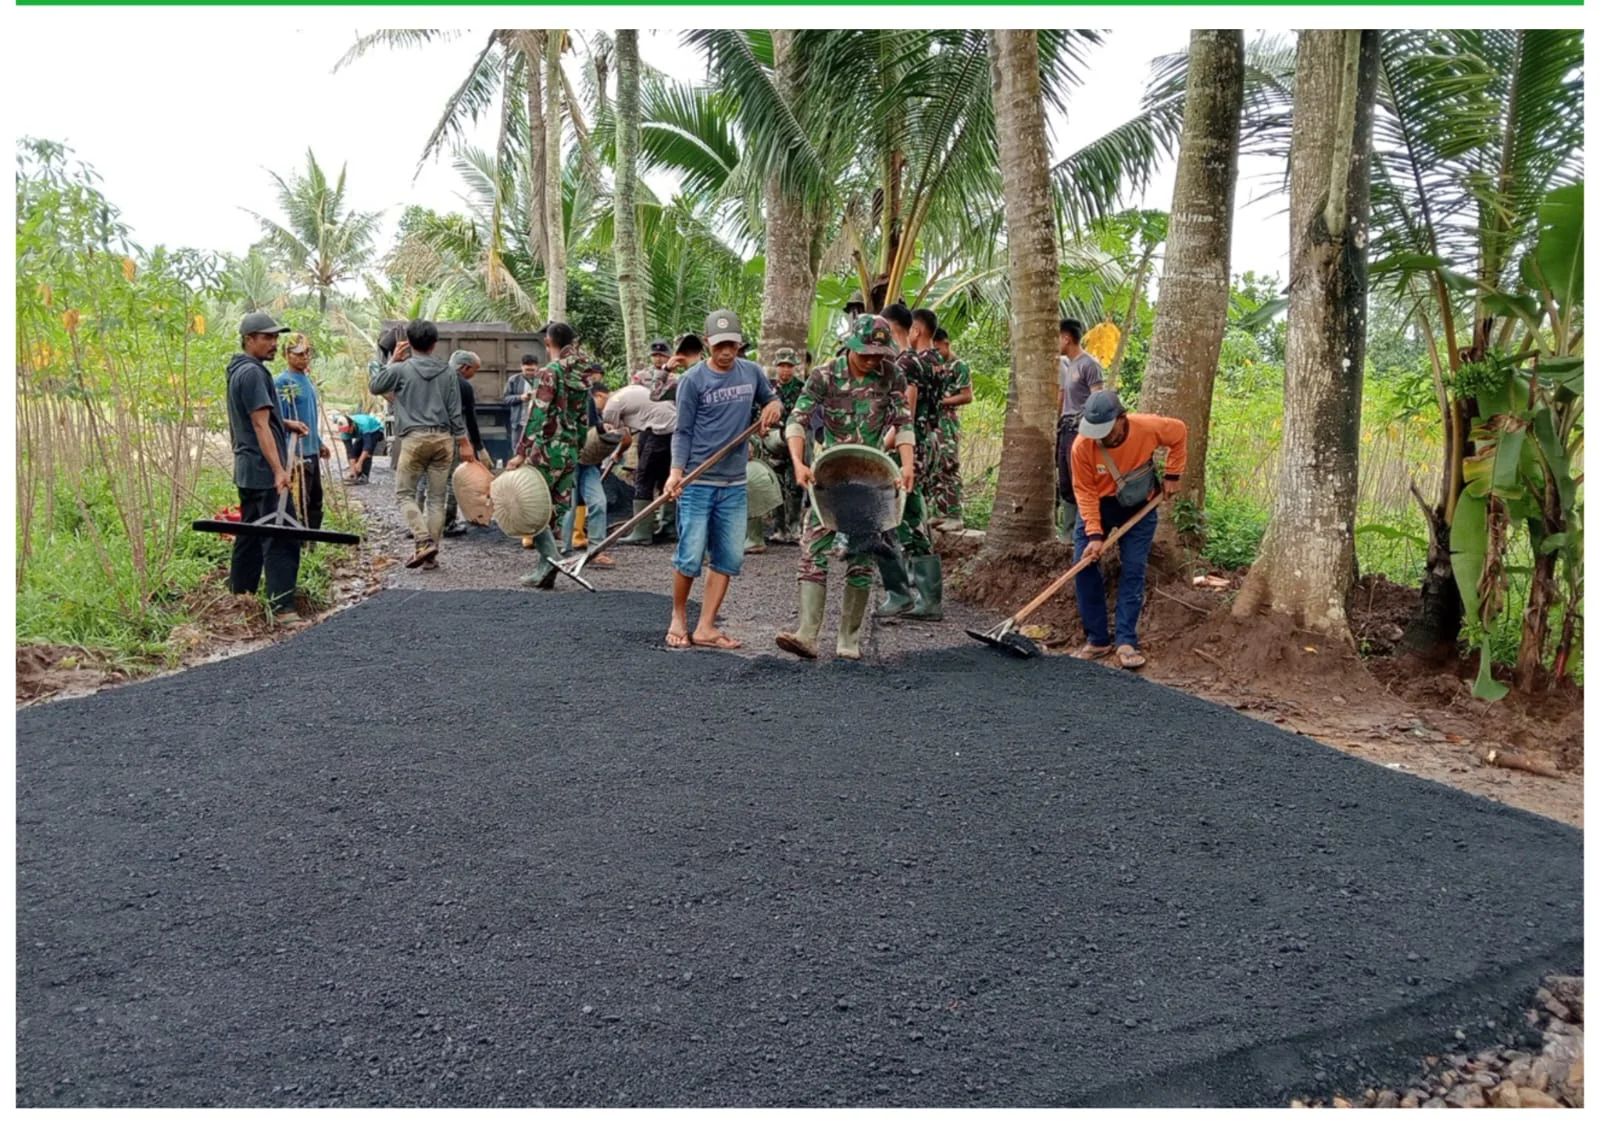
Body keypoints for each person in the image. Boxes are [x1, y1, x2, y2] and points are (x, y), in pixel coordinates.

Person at [774, 315, 914, 661]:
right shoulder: (825, 375)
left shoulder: (892, 375)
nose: (872, 360)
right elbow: (797, 420)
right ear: (851, 346)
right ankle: (807, 634)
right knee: (813, 549)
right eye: (866, 353)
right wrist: (798, 462)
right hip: (831, 473)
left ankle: (848, 640)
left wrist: (906, 465)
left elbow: (903, 422)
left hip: (871, 476)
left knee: (862, 555)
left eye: (879, 354)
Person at [662, 309, 783, 651]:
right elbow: (683, 431)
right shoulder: (692, 381)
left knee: (729, 557)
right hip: (698, 480)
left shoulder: (751, 372)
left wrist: (773, 406)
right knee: (690, 554)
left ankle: (706, 626)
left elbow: (772, 399)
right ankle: (678, 617)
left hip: (734, 484)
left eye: (732, 344)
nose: (727, 352)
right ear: (707, 343)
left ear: (740, 343)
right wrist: (676, 473)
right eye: (719, 346)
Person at [1069, 389, 1187, 670]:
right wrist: (1095, 534)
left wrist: (1173, 474)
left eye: (1107, 430)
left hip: (1139, 507)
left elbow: (1179, 433)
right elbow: (1084, 492)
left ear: (1121, 419)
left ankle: (1126, 640)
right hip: (1098, 506)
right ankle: (1098, 639)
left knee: (1133, 569)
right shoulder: (1081, 446)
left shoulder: (1147, 427)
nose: (1101, 437)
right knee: (1083, 566)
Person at [225, 311, 310, 623]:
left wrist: (285, 423)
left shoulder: (239, 370)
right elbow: (260, 425)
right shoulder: (253, 374)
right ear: (249, 339)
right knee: (281, 534)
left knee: (249, 532)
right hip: (263, 470)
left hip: (247, 468)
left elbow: (257, 418)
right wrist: (278, 470)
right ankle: (283, 608)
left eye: (276, 337)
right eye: (267, 337)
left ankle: (241, 596)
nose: (274, 343)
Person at [368, 319, 472, 570]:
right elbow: (455, 411)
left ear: (409, 343)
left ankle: (423, 541)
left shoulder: (401, 369)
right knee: (437, 499)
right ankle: (430, 556)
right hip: (444, 440)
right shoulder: (448, 372)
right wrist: (464, 442)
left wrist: (393, 361)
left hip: (414, 439)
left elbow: (375, 386)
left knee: (405, 494)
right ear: (434, 344)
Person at [874, 302, 943, 621]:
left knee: (904, 518)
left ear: (891, 328)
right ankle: (906, 594)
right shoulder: (926, 361)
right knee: (899, 518)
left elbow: (906, 415)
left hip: (906, 449)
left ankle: (916, 597)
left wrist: (880, 447)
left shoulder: (904, 364)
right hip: (921, 444)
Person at [515, 321, 589, 589]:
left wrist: (521, 452)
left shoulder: (550, 371)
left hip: (547, 449)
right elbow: (583, 417)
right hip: (570, 448)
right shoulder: (581, 373)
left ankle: (551, 559)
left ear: (548, 342)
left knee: (532, 506)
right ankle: (545, 567)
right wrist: (578, 447)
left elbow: (539, 413)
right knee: (555, 508)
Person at [557, 368, 619, 568]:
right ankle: (564, 552)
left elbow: (591, 425)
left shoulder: (588, 399)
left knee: (598, 502)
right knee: (569, 506)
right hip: (568, 458)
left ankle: (596, 551)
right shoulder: (559, 397)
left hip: (588, 460)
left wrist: (602, 428)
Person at [604, 383, 676, 547]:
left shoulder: (611, 407)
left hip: (659, 430)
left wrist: (618, 453)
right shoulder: (630, 390)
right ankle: (669, 528)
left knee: (643, 479)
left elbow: (624, 439)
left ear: (600, 396)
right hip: (673, 428)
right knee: (665, 478)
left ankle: (641, 533)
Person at [273, 332, 328, 529]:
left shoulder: (306, 380)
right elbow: (278, 420)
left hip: (312, 451)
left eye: (307, 352)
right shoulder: (283, 383)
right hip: (296, 454)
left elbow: (309, 418)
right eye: (298, 353)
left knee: (315, 500)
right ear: (286, 355)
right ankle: (300, 541)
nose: (304, 357)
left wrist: (319, 443)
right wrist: (290, 456)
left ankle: (312, 540)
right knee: (299, 503)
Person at [1058, 317, 1106, 540]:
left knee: (1080, 480)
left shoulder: (1089, 364)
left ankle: (1084, 532)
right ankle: (1068, 534)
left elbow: (1098, 400)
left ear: (1066, 338)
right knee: (1066, 481)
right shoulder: (1069, 365)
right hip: (1066, 428)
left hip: (1080, 429)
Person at [929, 328, 974, 530]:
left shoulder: (959, 366)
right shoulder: (933, 365)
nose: (936, 353)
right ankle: (939, 512)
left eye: (938, 349)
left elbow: (967, 396)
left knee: (949, 465)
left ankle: (955, 515)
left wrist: (942, 401)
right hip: (932, 420)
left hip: (947, 420)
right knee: (934, 465)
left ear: (946, 344)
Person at [439, 349, 487, 537]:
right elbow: (470, 419)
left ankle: (419, 525)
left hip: (426, 435)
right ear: (465, 367)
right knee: (452, 479)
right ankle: (448, 523)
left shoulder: (434, 378)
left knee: (426, 481)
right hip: (450, 436)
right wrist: (478, 446)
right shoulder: (463, 385)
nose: (474, 374)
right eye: (474, 370)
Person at [764, 346, 807, 544]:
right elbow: (759, 412)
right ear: (776, 367)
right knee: (776, 486)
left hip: (795, 443)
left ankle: (794, 528)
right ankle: (779, 529)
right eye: (782, 366)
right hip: (774, 443)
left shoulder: (803, 389)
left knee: (796, 486)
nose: (785, 370)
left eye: (789, 366)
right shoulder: (768, 390)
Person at [503, 354, 539, 471]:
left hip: (536, 423)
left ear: (537, 367)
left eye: (532, 370)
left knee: (535, 452)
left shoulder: (541, 380)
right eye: (527, 369)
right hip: (518, 422)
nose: (529, 372)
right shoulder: (514, 380)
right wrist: (520, 398)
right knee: (516, 451)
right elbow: (506, 399)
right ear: (521, 367)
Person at [337, 412, 384, 482]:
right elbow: (350, 451)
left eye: (349, 430)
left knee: (367, 453)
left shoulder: (363, 423)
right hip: (361, 434)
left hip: (375, 430)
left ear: (352, 424)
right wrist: (352, 469)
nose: (348, 432)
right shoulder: (344, 433)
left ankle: (364, 476)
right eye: (346, 431)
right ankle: (355, 474)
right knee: (355, 450)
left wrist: (359, 463)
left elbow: (367, 446)